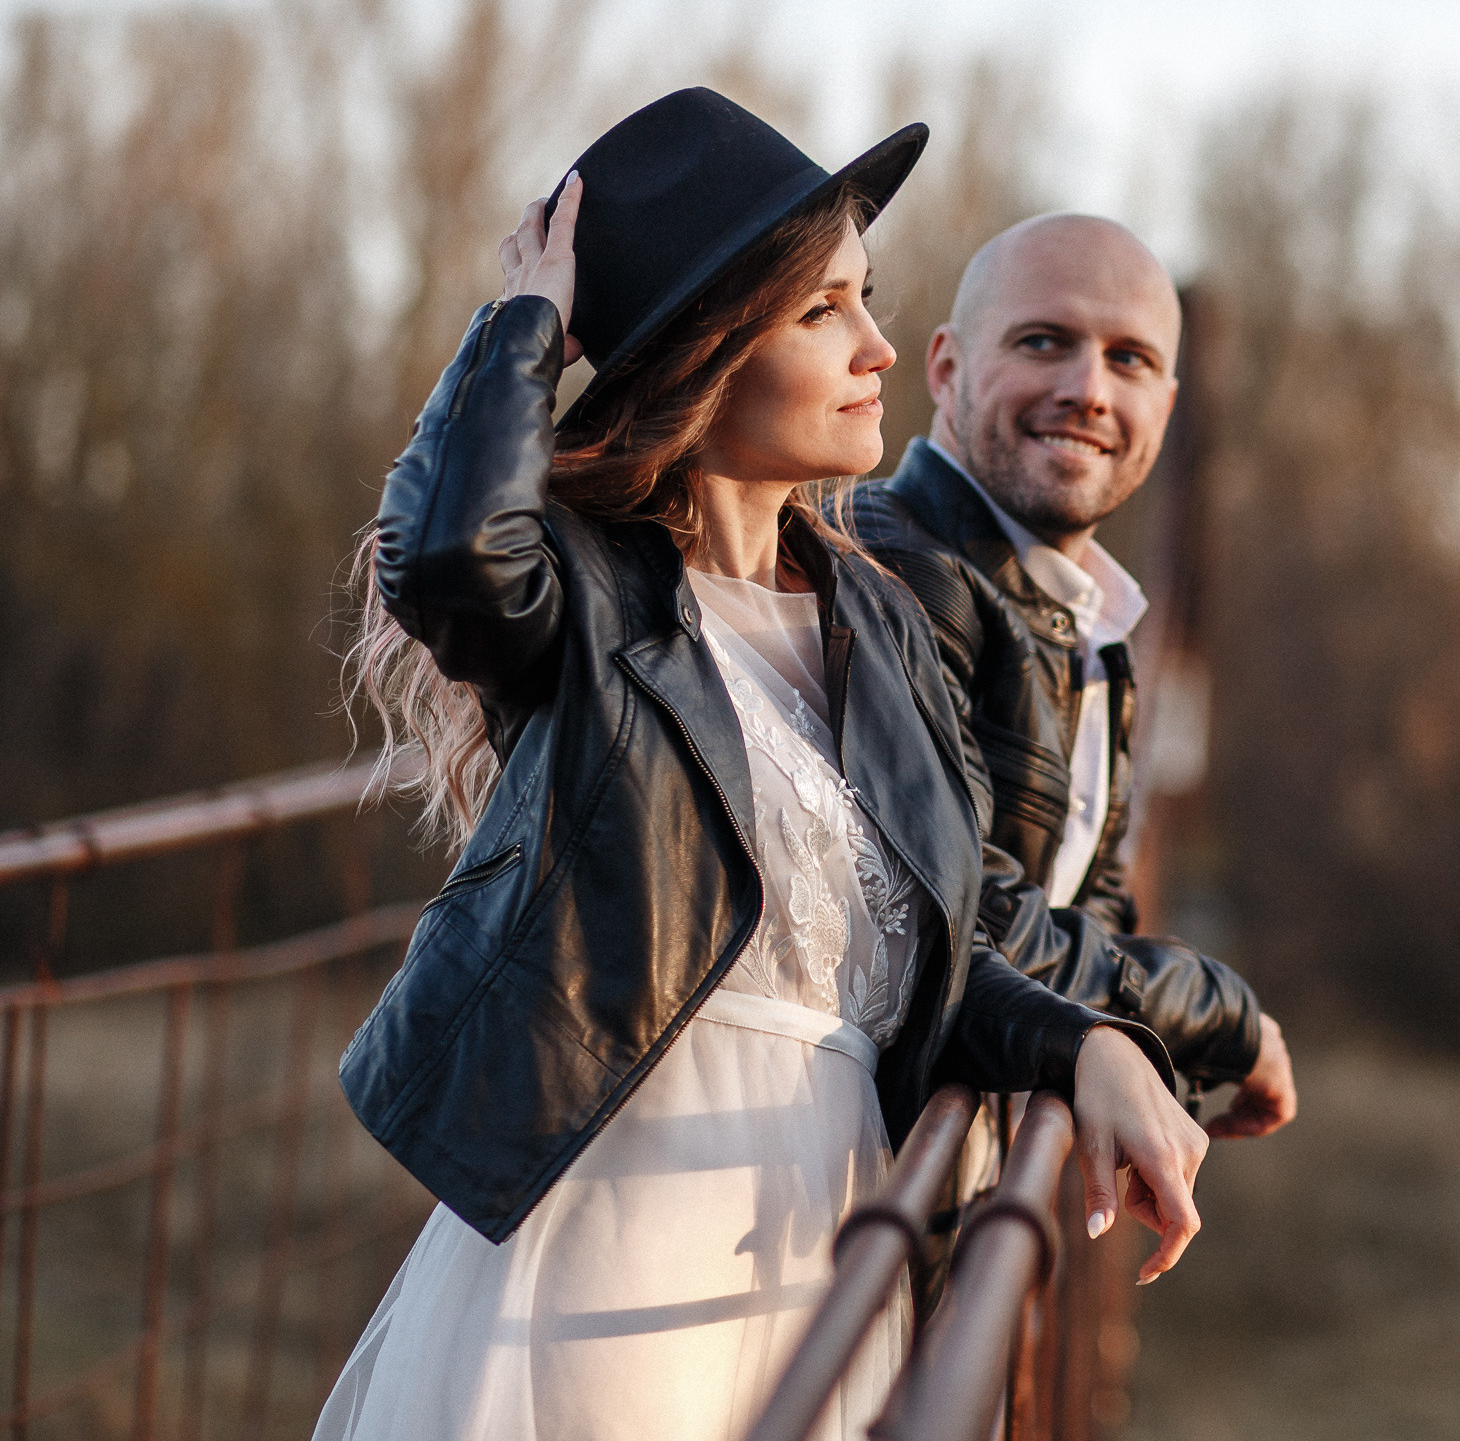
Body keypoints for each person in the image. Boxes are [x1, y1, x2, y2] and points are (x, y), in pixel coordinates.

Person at [318, 89, 1207, 1441]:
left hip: (829, 1252)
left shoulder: (887, 633)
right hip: (620, 1257)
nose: (880, 349)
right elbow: (448, 559)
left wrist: (1093, 1044)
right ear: (707, 352)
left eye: (869, 299)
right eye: (822, 313)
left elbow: (938, 958)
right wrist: (526, 332)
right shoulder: (592, 603)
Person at [854, 215, 1297, 1139]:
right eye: (1044, 342)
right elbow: (975, 930)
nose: (1088, 390)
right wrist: (1220, 1016)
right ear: (944, 369)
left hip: (943, 1213)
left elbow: (1090, 907)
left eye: (1130, 359)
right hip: (822, 1212)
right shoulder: (904, 572)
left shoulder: (1089, 625)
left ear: (1166, 408)